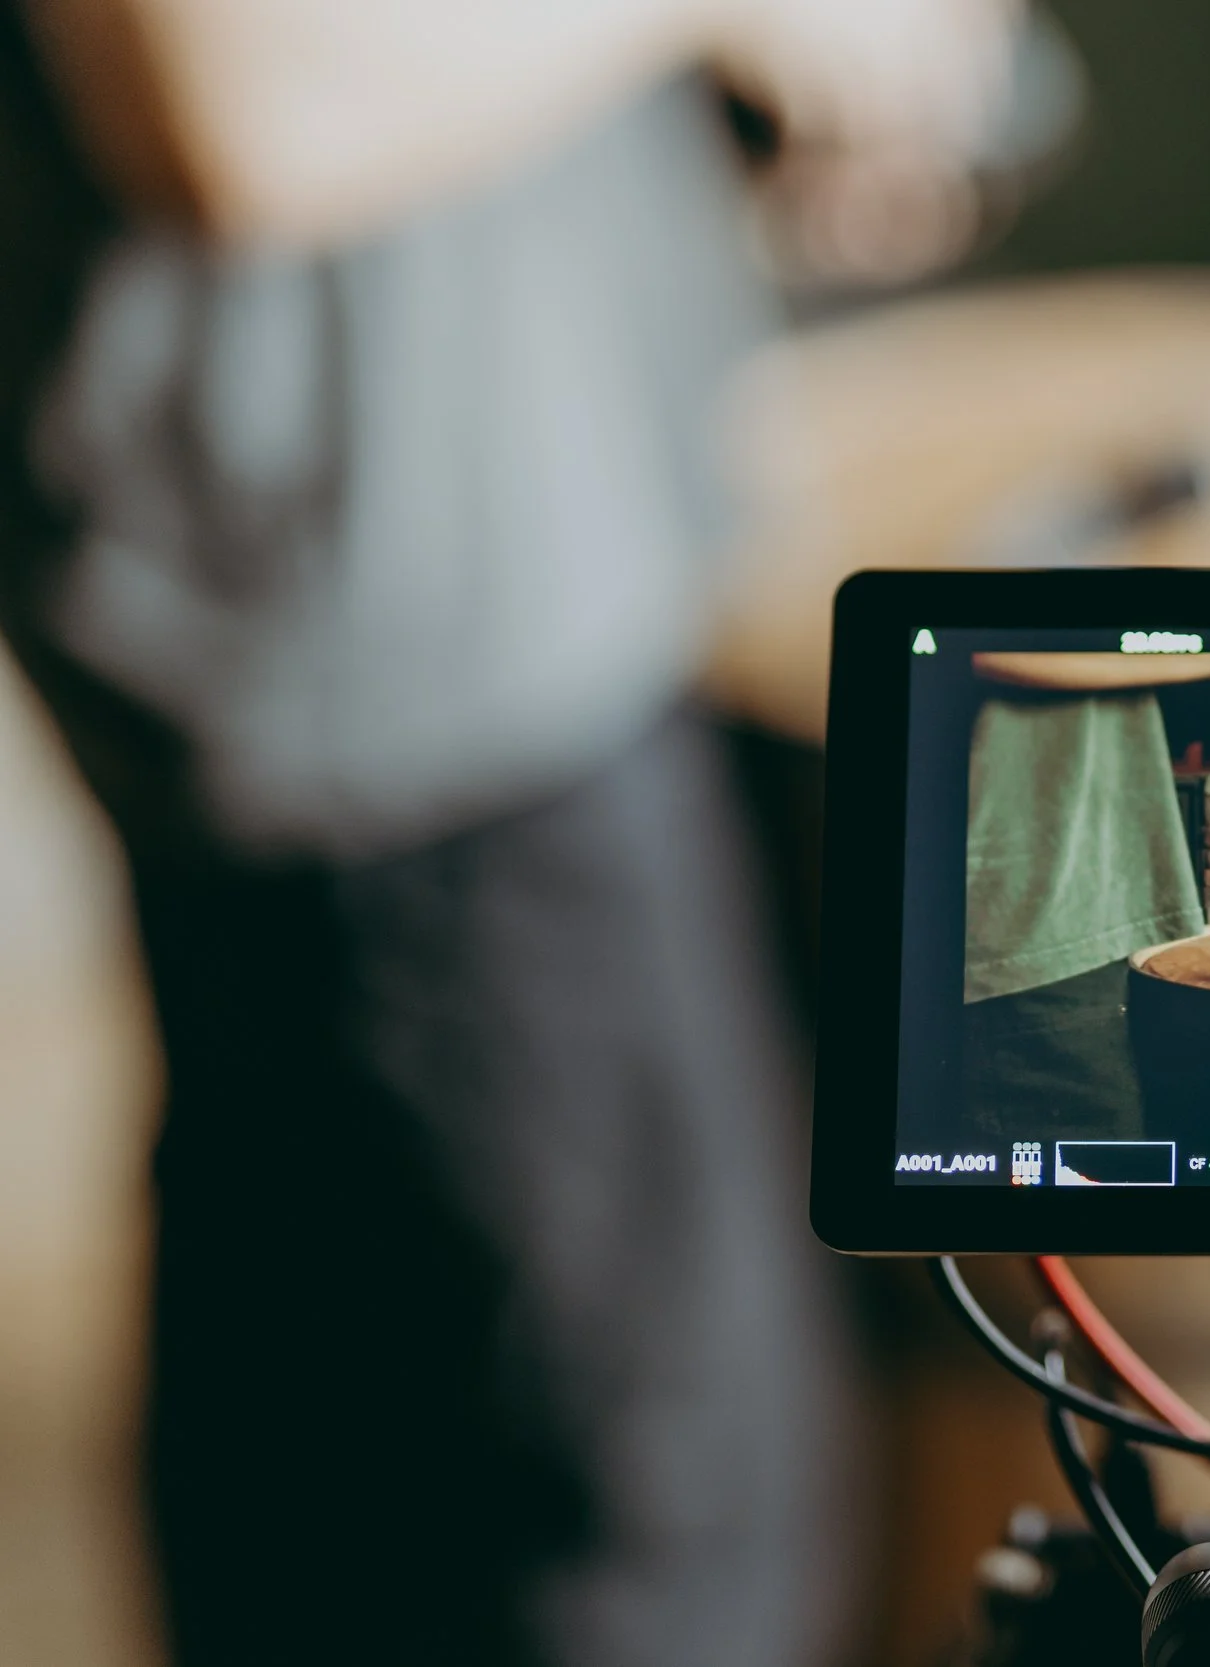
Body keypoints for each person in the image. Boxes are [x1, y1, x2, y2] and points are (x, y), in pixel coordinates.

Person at [0, 1, 1017, 1662]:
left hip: (493, 611)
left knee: (345, 1411)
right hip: (412, 708)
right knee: (658, 1518)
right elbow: (244, 103)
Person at [960, 650, 1210, 1139]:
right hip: (1027, 938)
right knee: (1099, 1162)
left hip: (1087, 919)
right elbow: (982, 644)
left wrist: (1150, 746)